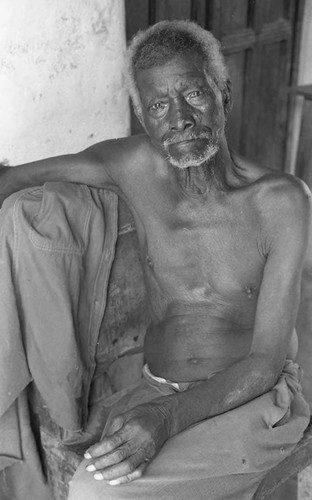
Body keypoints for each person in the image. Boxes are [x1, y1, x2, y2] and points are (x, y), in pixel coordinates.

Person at [0, 20, 311, 500]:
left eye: (194, 95)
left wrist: (164, 419)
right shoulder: (132, 166)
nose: (179, 118)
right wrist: (159, 409)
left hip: (251, 398)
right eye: (159, 105)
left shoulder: (281, 201)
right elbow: (13, 179)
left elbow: (265, 362)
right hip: (157, 388)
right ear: (142, 117)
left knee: (95, 493)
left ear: (223, 94)